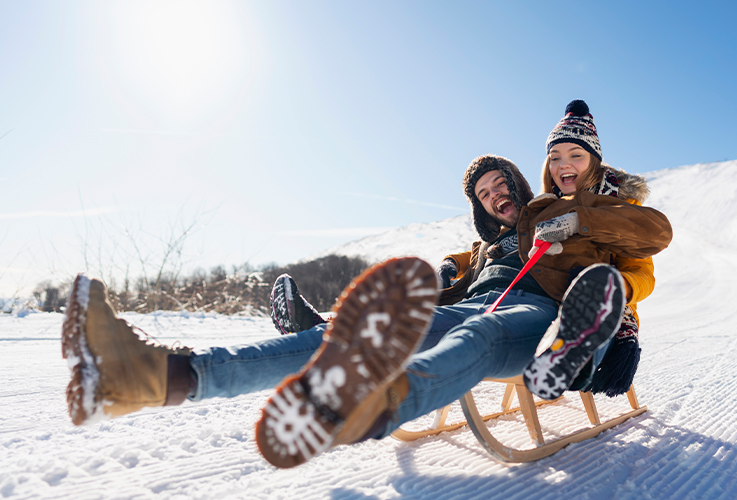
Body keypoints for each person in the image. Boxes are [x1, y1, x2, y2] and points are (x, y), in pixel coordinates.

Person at [62, 138, 671, 471]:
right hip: (479, 302)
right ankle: (151, 376)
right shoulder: (481, 249)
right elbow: (455, 276)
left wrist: (625, 332)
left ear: (522, 185)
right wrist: (440, 278)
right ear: (480, 208)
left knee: (476, 342)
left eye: (504, 187)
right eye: (486, 196)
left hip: (541, 315)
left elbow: (627, 266)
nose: (498, 198)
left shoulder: (561, 215)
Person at [519, 99, 660, 400]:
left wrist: (612, 288)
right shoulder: (543, 209)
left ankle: (572, 356)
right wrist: (458, 264)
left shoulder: (621, 206)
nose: (563, 164)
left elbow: (642, 273)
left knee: (587, 307)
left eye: (575, 155)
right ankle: (553, 354)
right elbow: (503, 245)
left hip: (601, 306)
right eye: (554, 157)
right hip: (548, 299)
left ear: (594, 160)